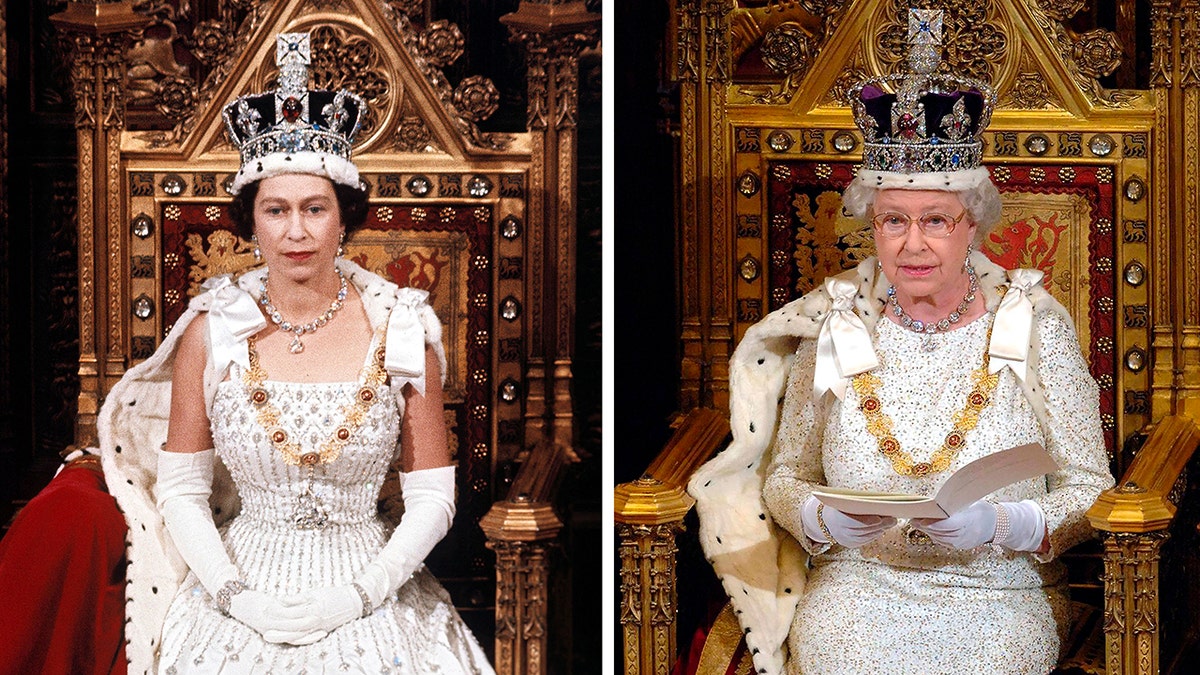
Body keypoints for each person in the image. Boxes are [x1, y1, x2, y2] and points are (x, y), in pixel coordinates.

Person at [1, 32, 493, 675]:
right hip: (238, 585)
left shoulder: (401, 327)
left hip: (372, 585)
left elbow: (432, 498)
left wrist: (361, 594)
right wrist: (235, 597)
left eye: (315, 209)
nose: (296, 231)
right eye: (276, 210)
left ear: (344, 216)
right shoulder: (212, 330)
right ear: (249, 220)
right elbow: (181, 488)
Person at [688, 10, 1114, 675]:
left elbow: (1091, 489)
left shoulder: (1036, 324)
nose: (913, 244)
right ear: (872, 223)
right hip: (858, 589)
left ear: (972, 224)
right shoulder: (838, 324)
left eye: (936, 220)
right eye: (894, 221)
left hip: (996, 593)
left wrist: (1002, 526)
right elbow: (786, 475)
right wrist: (818, 516)